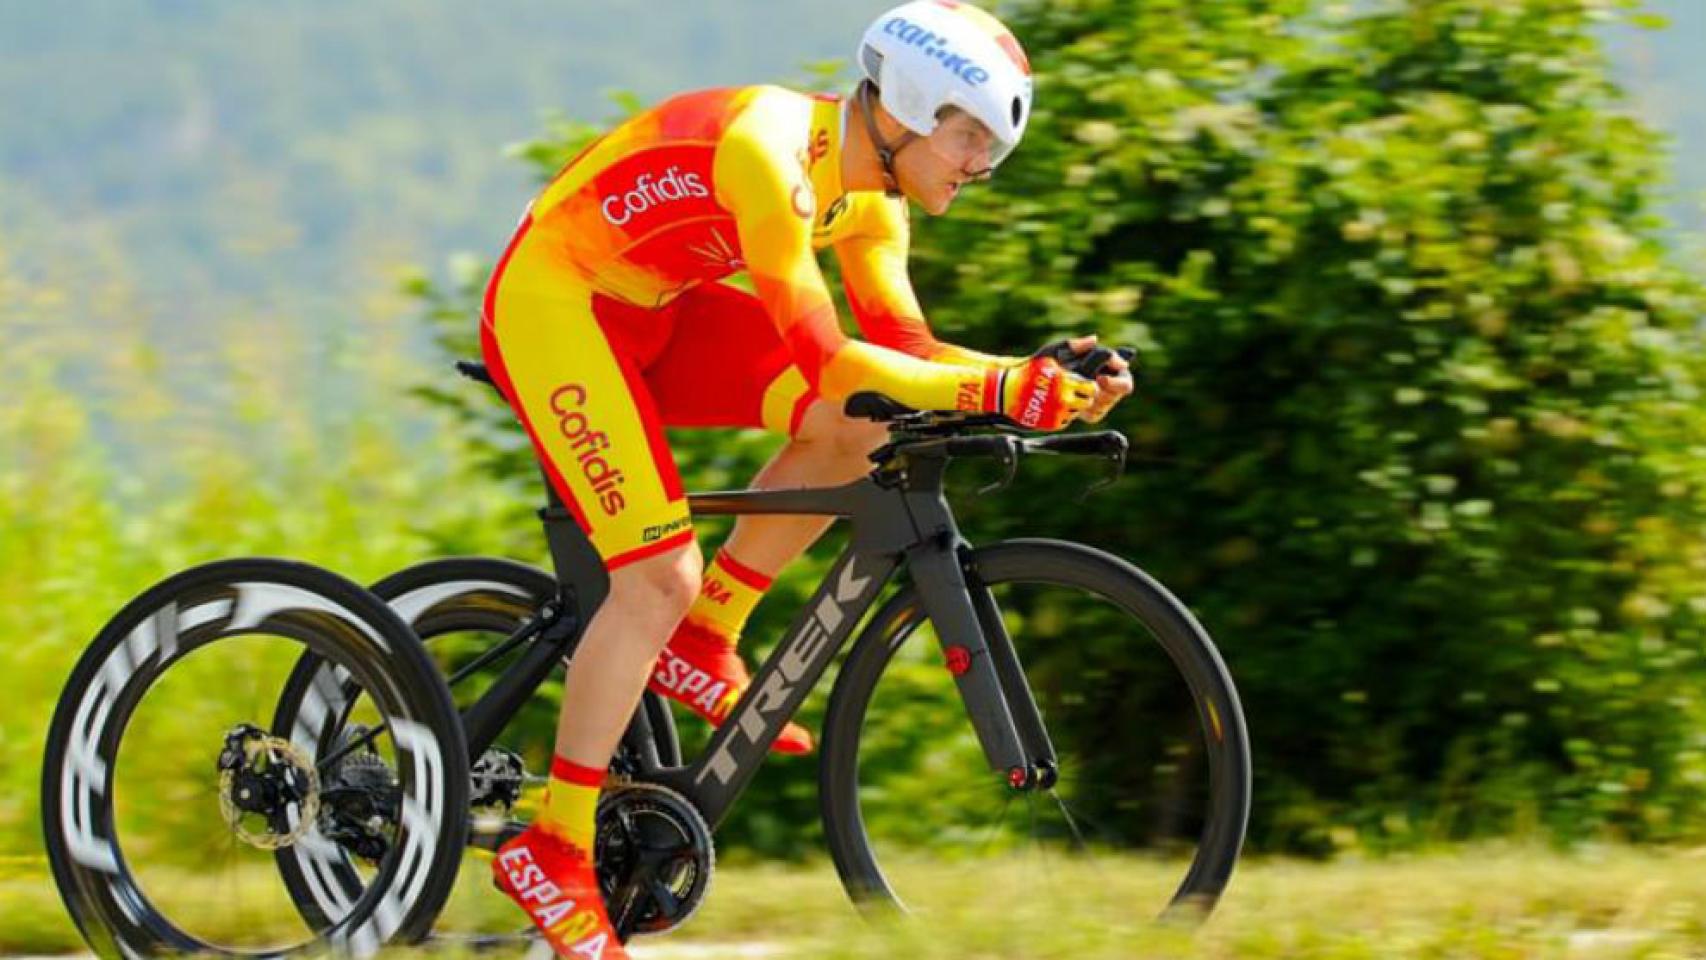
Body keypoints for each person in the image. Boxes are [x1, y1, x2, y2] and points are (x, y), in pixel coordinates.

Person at [478, 2, 1133, 955]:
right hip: (556, 305)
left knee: (865, 428)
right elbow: (830, 357)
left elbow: (901, 356)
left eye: (991, 146)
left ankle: (708, 636)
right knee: (656, 573)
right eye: (968, 136)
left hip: (655, 312)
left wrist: (1038, 384)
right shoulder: (769, 153)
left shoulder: (873, 201)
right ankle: (555, 845)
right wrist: (1001, 387)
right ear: (908, 104)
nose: (980, 164)